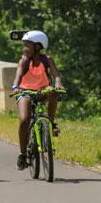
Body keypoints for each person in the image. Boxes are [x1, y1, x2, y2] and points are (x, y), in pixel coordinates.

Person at [11, 30, 65, 170]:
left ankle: (51, 124)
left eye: (27, 45)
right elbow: (18, 74)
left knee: (53, 93)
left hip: (42, 91)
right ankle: (23, 154)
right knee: (24, 120)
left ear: (37, 46)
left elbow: (55, 74)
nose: (24, 48)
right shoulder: (24, 61)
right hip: (25, 91)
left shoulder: (47, 60)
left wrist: (58, 83)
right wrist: (15, 86)